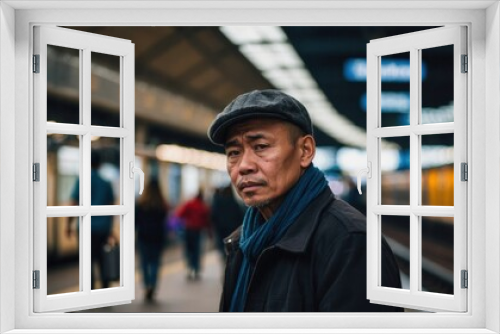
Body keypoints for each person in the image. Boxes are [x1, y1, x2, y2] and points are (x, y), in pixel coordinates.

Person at [207, 89, 403, 312]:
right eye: (233, 152)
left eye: (260, 147)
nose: (244, 165)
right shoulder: (243, 242)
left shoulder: (351, 244)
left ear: (305, 151)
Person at [68, 149, 115, 290]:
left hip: (85, 228)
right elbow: (111, 208)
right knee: (103, 259)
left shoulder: (82, 181)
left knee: (87, 261)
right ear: (99, 165)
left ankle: (90, 291)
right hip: (102, 228)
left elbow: (73, 203)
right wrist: (111, 229)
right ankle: (105, 289)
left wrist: (68, 224)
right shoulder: (106, 183)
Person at [135, 177, 169, 301]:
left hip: (143, 237)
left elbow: (136, 221)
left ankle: (146, 285)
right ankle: (153, 286)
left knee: (144, 263)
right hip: (158, 238)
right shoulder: (162, 204)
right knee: (155, 262)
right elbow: (165, 222)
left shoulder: (141, 203)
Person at [175, 191, 211, 280]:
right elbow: (207, 221)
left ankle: (189, 269)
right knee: (197, 251)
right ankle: (196, 269)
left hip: (188, 230)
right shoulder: (203, 206)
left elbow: (179, 214)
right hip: (198, 231)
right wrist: (209, 232)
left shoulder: (189, 204)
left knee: (188, 251)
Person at [210, 185, 245, 259]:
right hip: (233, 227)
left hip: (221, 228)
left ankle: (225, 256)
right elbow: (239, 215)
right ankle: (229, 256)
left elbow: (213, 215)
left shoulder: (218, 202)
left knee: (222, 243)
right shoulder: (234, 202)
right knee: (232, 243)